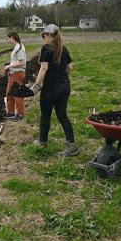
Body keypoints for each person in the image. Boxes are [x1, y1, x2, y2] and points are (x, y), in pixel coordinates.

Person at [29, 24, 79, 156]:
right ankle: (72, 145)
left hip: (51, 89)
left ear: (49, 35)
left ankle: (42, 141)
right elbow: (70, 67)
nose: (43, 38)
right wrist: (63, 77)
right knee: (62, 115)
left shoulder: (47, 48)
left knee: (46, 115)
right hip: (65, 87)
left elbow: (44, 68)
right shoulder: (63, 48)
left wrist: (36, 86)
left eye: (44, 35)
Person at [2, 31, 26, 121]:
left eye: (8, 38)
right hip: (13, 73)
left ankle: (20, 114)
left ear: (12, 37)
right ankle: (11, 113)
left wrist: (9, 65)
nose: (7, 40)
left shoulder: (19, 48)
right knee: (9, 93)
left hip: (18, 73)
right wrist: (9, 65)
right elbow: (17, 61)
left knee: (17, 94)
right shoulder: (17, 47)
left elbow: (22, 62)